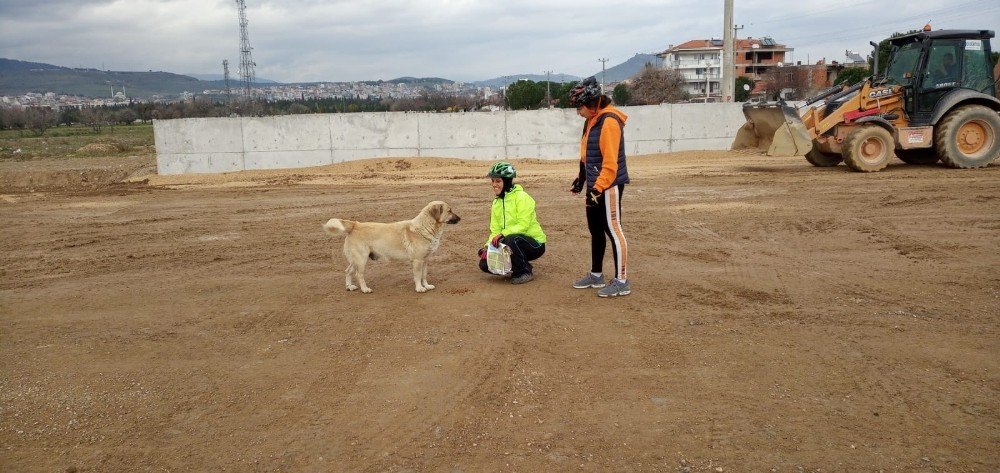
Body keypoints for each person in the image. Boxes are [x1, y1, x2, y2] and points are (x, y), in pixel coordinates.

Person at [567, 76, 631, 297]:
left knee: (613, 230)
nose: (578, 112)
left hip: (609, 185)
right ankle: (596, 275)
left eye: (579, 107)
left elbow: (610, 164)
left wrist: (597, 188)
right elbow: (587, 153)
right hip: (595, 185)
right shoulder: (591, 120)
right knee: (595, 230)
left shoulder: (610, 122)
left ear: (592, 103)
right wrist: (582, 180)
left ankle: (622, 280)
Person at [478, 161, 547, 284]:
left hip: (534, 244)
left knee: (511, 239)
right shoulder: (496, 203)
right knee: (484, 264)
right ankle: (517, 264)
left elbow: (523, 225)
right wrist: (488, 246)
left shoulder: (522, 197)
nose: (494, 184)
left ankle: (524, 271)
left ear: (507, 181)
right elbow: (495, 229)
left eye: (498, 181)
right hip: (510, 242)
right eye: (492, 181)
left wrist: (503, 234)